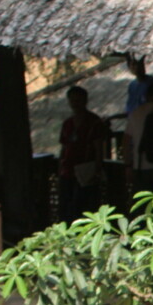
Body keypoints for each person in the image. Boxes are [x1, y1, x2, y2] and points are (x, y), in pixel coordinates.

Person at [57, 86, 106, 221]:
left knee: (84, 207)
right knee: (67, 207)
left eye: (78, 100)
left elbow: (99, 148)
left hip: (85, 171)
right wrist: (60, 168)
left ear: (85, 100)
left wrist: (97, 169)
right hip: (68, 171)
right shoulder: (67, 124)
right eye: (72, 100)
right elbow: (64, 147)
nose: (75, 103)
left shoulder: (94, 122)